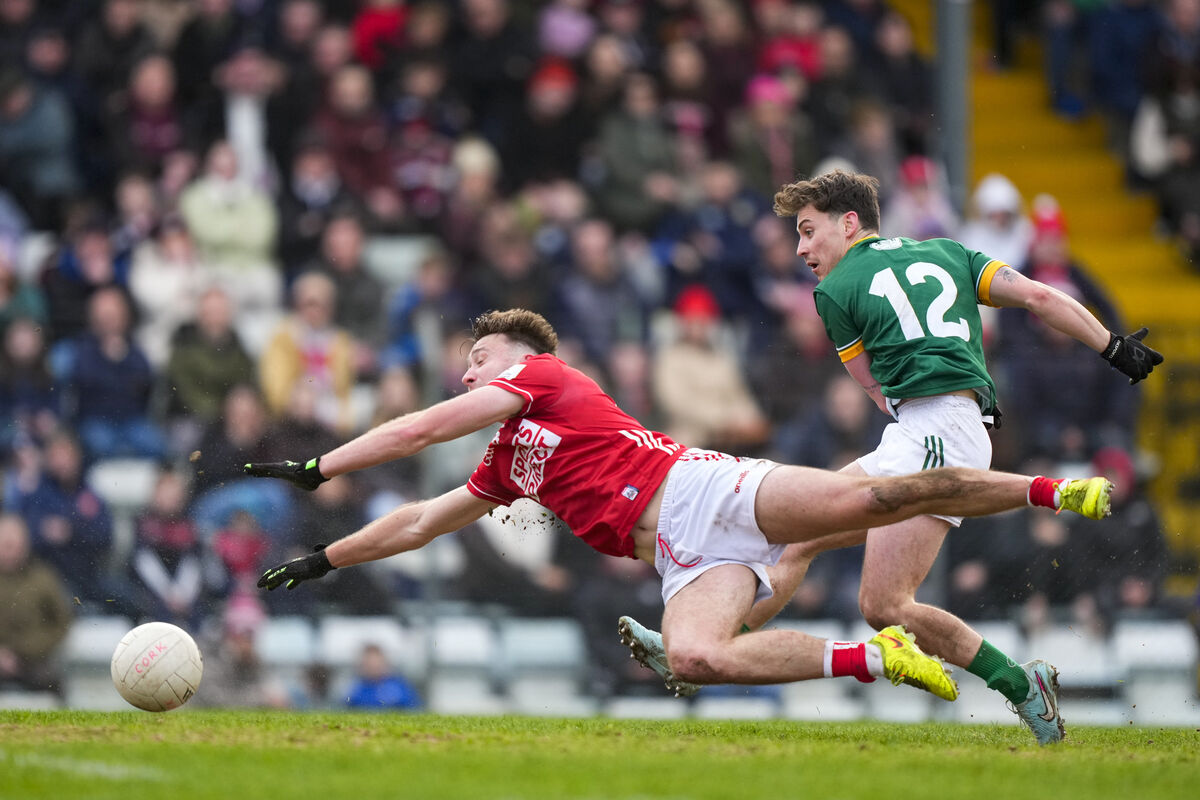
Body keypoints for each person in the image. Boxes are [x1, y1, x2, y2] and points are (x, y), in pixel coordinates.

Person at [246, 308, 1113, 712]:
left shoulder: (544, 377)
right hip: (682, 557)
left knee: (872, 496)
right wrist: (327, 559)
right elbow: (418, 522)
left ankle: (1048, 488)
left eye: (479, 358)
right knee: (695, 658)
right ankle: (874, 659)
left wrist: (324, 464)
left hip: (708, 488)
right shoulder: (506, 464)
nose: (469, 371)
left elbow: (424, 428)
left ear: (521, 356)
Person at [621, 169, 1164, 745]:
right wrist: (1113, 345)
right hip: (938, 427)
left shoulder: (834, 292)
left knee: (884, 606)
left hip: (931, 430)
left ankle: (1021, 682)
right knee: (795, 538)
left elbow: (874, 389)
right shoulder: (951, 251)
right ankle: (699, 642)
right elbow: (1038, 296)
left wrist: (927, 411)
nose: (802, 248)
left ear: (849, 222)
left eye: (809, 231)